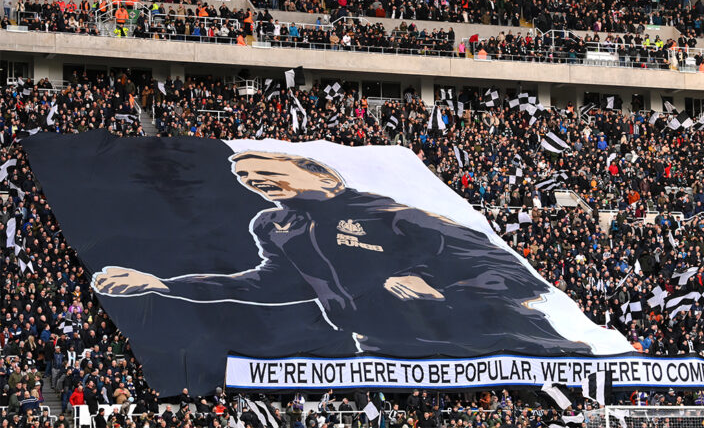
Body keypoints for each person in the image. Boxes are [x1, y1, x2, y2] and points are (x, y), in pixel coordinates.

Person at [92, 151, 597, 356]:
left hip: (488, 337)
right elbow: (269, 286)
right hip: (381, 347)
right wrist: (163, 284)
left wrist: (440, 290)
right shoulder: (275, 226)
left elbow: (516, 275)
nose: (253, 181)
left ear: (324, 175)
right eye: (244, 178)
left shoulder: (392, 213)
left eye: (262, 169)